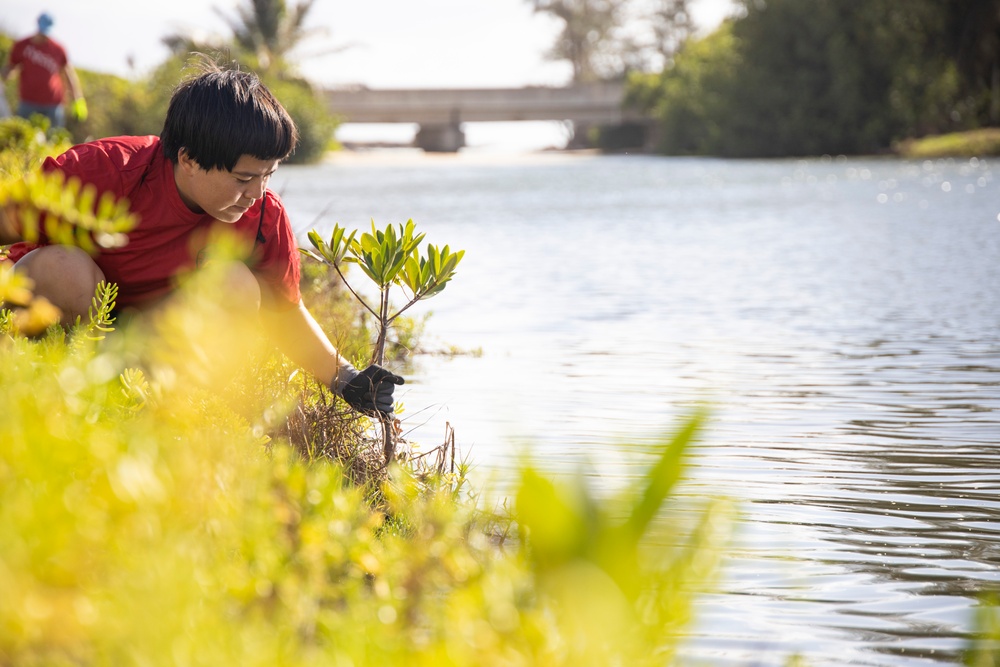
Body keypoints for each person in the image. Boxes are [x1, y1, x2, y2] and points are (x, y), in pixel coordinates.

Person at [0, 63, 402, 416]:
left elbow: (285, 312)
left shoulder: (262, 215)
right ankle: (53, 386)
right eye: (244, 178)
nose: (258, 193)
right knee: (63, 268)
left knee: (238, 286)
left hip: (145, 344)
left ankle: (145, 399)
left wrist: (348, 380)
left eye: (268, 175)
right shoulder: (106, 171)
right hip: (60, 321)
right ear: (189, 160)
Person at [2, 12, 87, 128]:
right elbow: (11, 67)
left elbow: (69, 75)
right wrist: (5, 75)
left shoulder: (58, 49)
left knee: (54, 138)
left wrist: (78, 100)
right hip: (27, 103)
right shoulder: (21, 46)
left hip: (53, 106)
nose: (44, 36)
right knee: (23, 136)